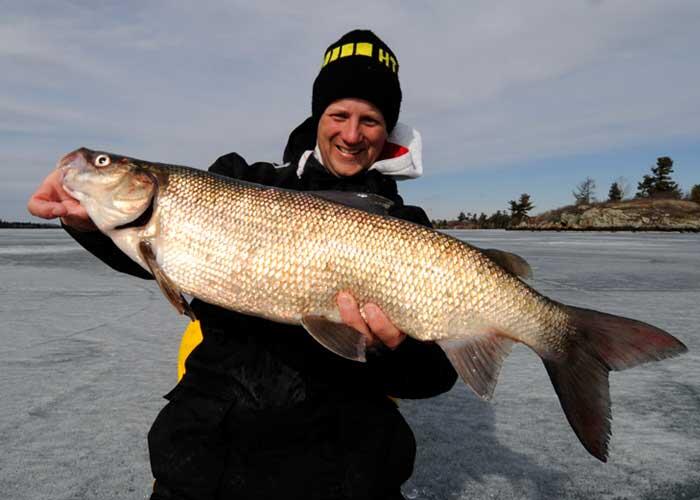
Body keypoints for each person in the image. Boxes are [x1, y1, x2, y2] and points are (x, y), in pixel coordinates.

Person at [28, 29, 457, 500]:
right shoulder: (240, 181)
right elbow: (158, 256)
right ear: (319, 115)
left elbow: (434, 375)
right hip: (210, 459)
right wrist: (86, 219)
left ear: (387, 129)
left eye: (370, 120)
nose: (351, 135)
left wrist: (389, 349)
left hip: (346, 472)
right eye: (339, 115)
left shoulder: (407, 227)